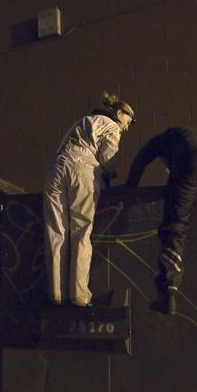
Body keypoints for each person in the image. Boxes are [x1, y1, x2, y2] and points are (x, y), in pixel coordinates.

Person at [43, 92, 135, 307]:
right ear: (119, 113)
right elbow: (107, 155)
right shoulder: (110, 125)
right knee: (81, 232)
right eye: (127, 121)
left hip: (56, 167)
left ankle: (56, 293)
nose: (127, 127)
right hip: (82, 168)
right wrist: (111, 173)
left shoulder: (83, 121)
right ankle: (79, 295)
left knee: (56, 232)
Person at [125, 127, 197, 314]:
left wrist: (130, 186)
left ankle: (168, 293)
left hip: (194, 159)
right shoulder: (187, 136)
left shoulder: (162, 139)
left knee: (175, 225)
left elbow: (141, 158)